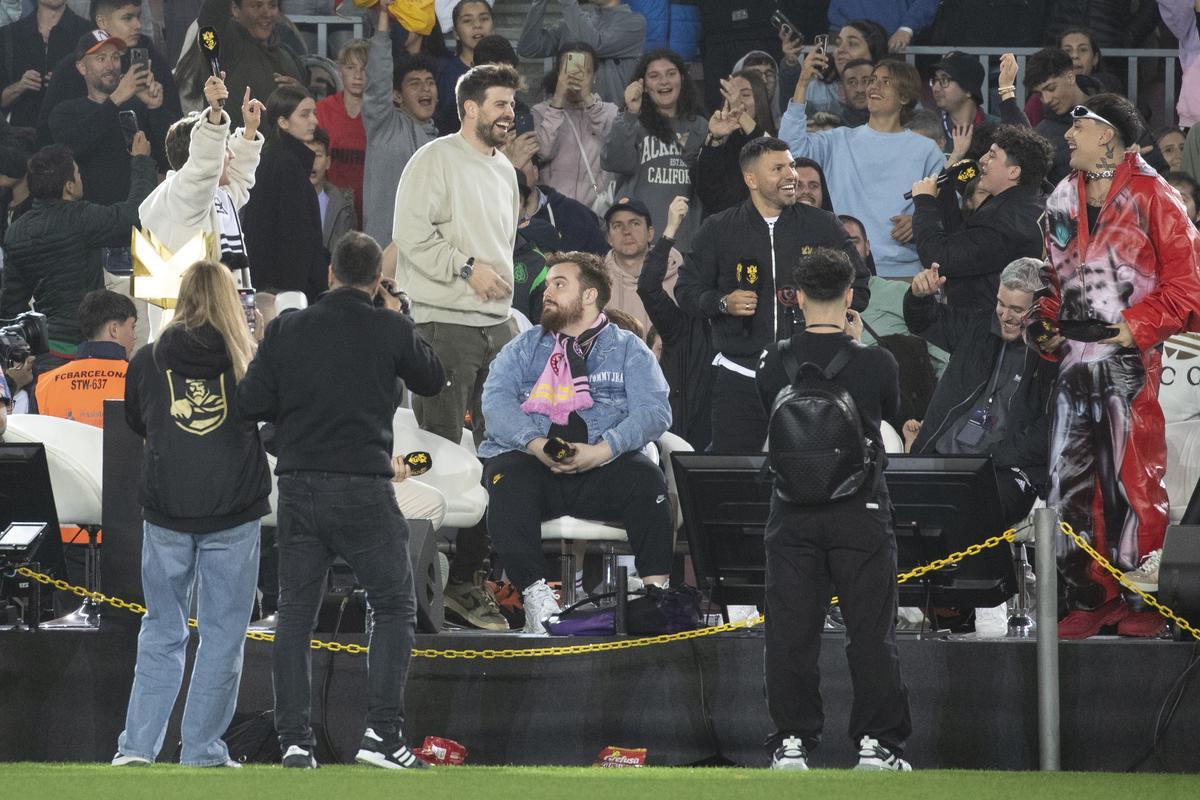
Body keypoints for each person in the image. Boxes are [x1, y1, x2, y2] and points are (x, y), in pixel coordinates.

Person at [237, 232, 445, 769]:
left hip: (301, 486)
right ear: (377, 281)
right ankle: (383, 736)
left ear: (329, 274)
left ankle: (294, 743)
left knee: (295, 616)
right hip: (365, 489)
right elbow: (432, 377)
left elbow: (252, 401)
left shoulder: (287, 326)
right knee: (395, 605)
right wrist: (403, 315)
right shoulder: (390, 325)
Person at [1039, 94, 1200, 639]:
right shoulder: (1062, 196)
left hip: (1132, 359)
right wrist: (1044, 323)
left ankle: (1144, 601)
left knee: (1134, 482)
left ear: (1107, 135)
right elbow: (1053, 279)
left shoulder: (1157, 196)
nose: (1067, 135)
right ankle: (1091, 597)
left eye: (1078, 127)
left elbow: (1190, 287)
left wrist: (1138, 325)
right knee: (1069, 484)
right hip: (1072, 361)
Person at [755, 246, 911, 773]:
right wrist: (860, 348)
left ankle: (791, 743)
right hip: (859, 510)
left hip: (790, 512)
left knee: (790, 634)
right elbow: (887, 414)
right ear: (849, 295)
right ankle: (878, 745)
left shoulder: (772, 360)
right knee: (871, 632)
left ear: (796, 298)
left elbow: (767, 417)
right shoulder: (877, 361)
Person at [114, 259, 270, 768]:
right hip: (232, 511)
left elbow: (139, 420)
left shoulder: (147, 359)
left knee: (161, 630)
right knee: (223, 638)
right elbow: (267, 426)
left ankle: (137, 751)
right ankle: (202, 750)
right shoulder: (248, 360)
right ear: (230, 301)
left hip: (165, 512)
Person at [479, 250, 672, 633]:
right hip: (534, 469)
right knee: (504, 474)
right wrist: (536, 444)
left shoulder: (628, 349)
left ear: (589, 296)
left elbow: (654, 412)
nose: (547, 292)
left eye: (559, 284)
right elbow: (495, 405)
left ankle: (656, 596)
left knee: (647, 477)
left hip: (601, 468)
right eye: (548, 284)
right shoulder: (522, 348)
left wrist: (602, 451)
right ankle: (536, 597)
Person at [391, 62, 520, 631]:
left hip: (498, 327)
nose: (508, 113)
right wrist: (467, 269)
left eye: (512, 104)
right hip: (445, 324)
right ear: (468, 107)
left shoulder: (507, 172)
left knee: (502, 453)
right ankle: (424, 580)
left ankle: (470, 580)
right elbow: (411, 236)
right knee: (439, 449)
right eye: (498, 103)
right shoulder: (434, 160)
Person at [675, 136, 869, 453]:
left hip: (812, 376)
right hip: (740, 378)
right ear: (751, 178)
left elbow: (858, 286)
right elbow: (687, 291)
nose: (791, 175)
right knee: (737, 481)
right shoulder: (719, 229)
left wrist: (824, 306)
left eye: (791, 165)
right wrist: (722, 303)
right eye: (778, 168)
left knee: (811, 473)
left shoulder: (823, 226)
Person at [902, 258, 1057, 525]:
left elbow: (1049, 431)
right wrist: (918, 297)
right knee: (892, 503)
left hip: (1003, 468)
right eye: (1001, 304)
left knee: (969, 513)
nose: (1005, 316)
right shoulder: (979, 326)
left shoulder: (1056, 355)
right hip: (942, 457)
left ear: (1042, 309)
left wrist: (993, 457)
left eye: (1017, 309)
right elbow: (924, 321)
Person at [781, 57, 944, 278]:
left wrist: (920, 222)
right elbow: (791, 150)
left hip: (902, 274)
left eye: (886, 82)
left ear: (904, 96)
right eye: (873, 80)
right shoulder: (838, 140)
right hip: (840, 270)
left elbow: (949, 204)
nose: (873, 86)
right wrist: (802, 84)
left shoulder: (926, 150)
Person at [1, 137, 153, 374]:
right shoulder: (80, 218)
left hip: (46, 354)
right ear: (69, 186)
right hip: (90, 349)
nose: (82, 178)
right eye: (78, 173)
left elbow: (10, 307)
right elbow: (134, 217)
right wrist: (142, 162)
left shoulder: (16, 232)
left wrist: (16, 364)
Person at [909, 124, 1053, 311]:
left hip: (988, 326)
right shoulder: (1037, 199)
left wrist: (924, 203)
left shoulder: (1003, 220)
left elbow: (939, 258)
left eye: (992, 156)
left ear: (1013, 172)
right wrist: (945, 186)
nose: (983, 160)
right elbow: (962, 238)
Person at [140, 76, 264, 281]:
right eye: (224, 148)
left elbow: (239, 178)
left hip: (221, 309)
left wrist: (249, 132)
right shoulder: (182, 199)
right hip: (192, 312)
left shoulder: (216, 198)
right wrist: (215, 112)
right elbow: (204, 165)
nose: (231, 155)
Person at [48, 30, 171, 204]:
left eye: (115, 57)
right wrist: (116, 99)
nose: (110, 66)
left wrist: (155, 108)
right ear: (81, 67)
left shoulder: (136, 106)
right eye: (101, 59)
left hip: (138, 214)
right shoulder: (65, 112)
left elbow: (168, 157)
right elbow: (71, 147)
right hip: (92, 220)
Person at [36, 1, 181, 148]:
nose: (137, 25)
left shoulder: (154, 63)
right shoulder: (70, 69)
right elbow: (46, 137)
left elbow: (177, 138)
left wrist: (155, 109)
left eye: (139, 16)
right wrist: (118, 96)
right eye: (127, 18)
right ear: (102, 22)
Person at [601, 49, 706, 253]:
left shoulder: (700, 126)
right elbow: (613, 161)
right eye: (654, 76)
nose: (664, 81)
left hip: (686, 244)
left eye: (671, 73)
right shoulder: (633, 123)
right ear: (644, 86)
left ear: (682, 79)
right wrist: (630, 114)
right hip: (638, 246)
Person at [637, 195, 712, 449]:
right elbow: (648, 287)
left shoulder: (750, 321)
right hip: (681, 443)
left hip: (729, 439)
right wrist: (669, 230)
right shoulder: (682, 326)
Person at [362, 4, 438, 248]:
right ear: (396, 95)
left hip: (427, 257)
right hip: (383, 253)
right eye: (415, 84)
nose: (425, 89)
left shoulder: (444, 143)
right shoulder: (385, 125)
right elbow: (378, 76)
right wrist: (383, 18)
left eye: (430, 83)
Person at [242, 85, 327, 303]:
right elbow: (294, 241)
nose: (314, 121)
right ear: (283, 122)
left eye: (314, 113)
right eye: (304, 114)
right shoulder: (286, 165)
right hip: (285, 295)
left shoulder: (278, 159)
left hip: (274, 289)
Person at [532, 41, 618, 209]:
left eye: (585, 72)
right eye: (570, 69)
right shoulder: (540, 112)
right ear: (558, 74)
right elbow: (543, 153)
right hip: (554, 209)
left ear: (594, 76)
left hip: (594, 211)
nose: (577, 76)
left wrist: (588, 100)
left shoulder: (609, 112)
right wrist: (557, 101)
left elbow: (615, 151)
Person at [196, 0, 306, 128]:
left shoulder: (287, 53)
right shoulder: (228, 43)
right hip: (235, 144)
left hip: (283, 145)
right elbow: (210, 17)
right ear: (235, 9)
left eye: (272, 5)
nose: (266, 13)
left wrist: (301, 95)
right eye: (256, 5)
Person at [517, 0, 646, 107]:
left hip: (613, 122)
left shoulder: (635, 22)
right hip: (569, 120)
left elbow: (595, 45)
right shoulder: (573, 22)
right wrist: (539, 3)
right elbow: (528, 48)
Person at [34, 289, 135, 426]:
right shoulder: (141, 379)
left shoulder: (44, 384)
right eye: (132, 327)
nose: (134, 336)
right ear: (114, 329)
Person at [0, 0, 92, 129]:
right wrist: (19, 86)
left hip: (74, 135)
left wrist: (68, 83)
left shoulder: (89, 32)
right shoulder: (8, 35)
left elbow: (103, 91)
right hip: (21, 139)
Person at [694, 70, 774, 217]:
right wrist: (715, 141)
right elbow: (706, 193)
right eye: (731, 95)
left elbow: (770, 157)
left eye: (745, 95)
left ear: (760, 100)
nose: (737, 101)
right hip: (722, 231)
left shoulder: (773, 140)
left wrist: (740, 113)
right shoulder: (714, 142)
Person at [778, 19, 886, 121]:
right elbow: (790, 120)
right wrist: (791, 66)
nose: (841, 50)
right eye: (838, 44)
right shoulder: (816, 88)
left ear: (874, 53)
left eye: (852, 44)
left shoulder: (887, 92)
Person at [604, 197, 679, 334]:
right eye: (617, 225)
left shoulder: (680, 274)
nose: (626, 231)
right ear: (609, 238)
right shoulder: (597, 281)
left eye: (635, 223)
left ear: (650, 233)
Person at [314, 38, 368, 222]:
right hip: (330, 208)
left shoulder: (381, 116)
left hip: (371, 208)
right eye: (351, 67)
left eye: (364, 68)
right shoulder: (322, 110)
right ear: (340, 70)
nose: (358, 75)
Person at [1022, 47, 1092, 184]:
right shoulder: (1042, 135)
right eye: (1039, 94)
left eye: (1051, 88)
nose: (1046, 100)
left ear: (1070, 77)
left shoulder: (1116, 112)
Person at [434, 0, 494, 134]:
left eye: (484, 19)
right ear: (455, 33)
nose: (477, 25)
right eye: (467, 21)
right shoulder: (444, 72)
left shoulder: (502, 70)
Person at [517, 166, 607, 255]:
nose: (517, 167)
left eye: (523, 163)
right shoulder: (505, 224)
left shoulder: (573, 212)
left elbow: (600, 258)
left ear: (535, 171)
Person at [928, 51, 997, 156]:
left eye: (944, 80)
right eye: (934, 80)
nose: (935, 88)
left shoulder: (997, 130)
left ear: (969, 90)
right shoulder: (930, 132)